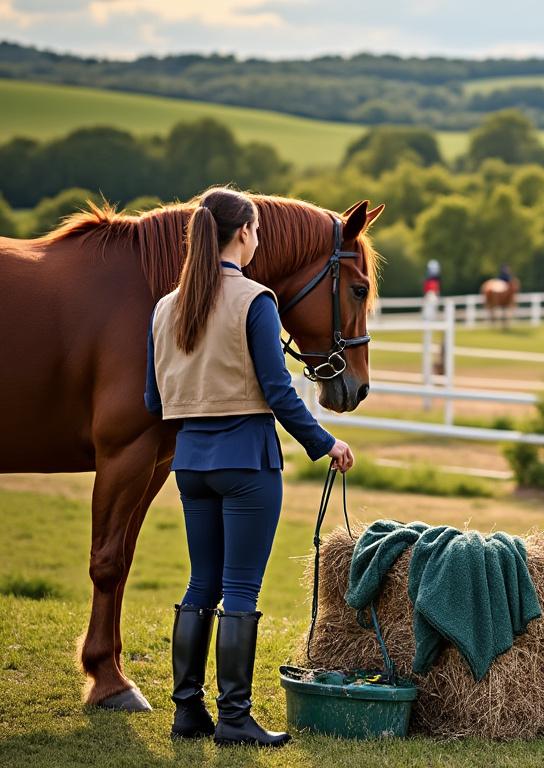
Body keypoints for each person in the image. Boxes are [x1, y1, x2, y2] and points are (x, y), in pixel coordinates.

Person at [145, 187, 355, 748]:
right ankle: (235, 717)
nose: (259, 240)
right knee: (240, 587)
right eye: (257, 231)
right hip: (247, 462)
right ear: (242, 233)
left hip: (190, 464)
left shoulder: (167, 307)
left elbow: (151, 399)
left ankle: (187, 712)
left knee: (200, 584)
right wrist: (325, 442)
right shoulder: (256, 300)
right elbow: (280, 392)